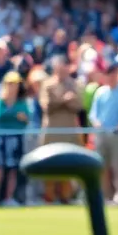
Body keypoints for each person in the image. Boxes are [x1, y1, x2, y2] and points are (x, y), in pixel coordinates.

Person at [39, 55, 84, 203]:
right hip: (52, 131)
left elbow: (78, 106)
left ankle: (66, 195)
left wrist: (64, 101)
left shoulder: (74, 84)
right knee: (50, 163)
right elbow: (47, 106)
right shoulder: (47, 85)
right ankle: (49, 195)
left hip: (69, 131)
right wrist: (64, 100)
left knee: (67, 163)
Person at [89, 63, 118, 204]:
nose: (112, 76)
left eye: (114, 73)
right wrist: (97, 123)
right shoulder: (100, 92)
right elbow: (93, 114)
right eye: (109, 73)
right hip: (101, 135)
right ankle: (105, 195)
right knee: (102, 166)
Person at [0, 71, 32, 206]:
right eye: (10, 84)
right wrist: (15, 115)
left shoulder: (22, 102)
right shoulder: (1, 101)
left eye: (15, 84)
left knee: (13, 169)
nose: (12, 87)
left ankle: (9, 198)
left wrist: (20, 117)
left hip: (17, 138)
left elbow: (26, 118)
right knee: (0, 168)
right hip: (2, 139)